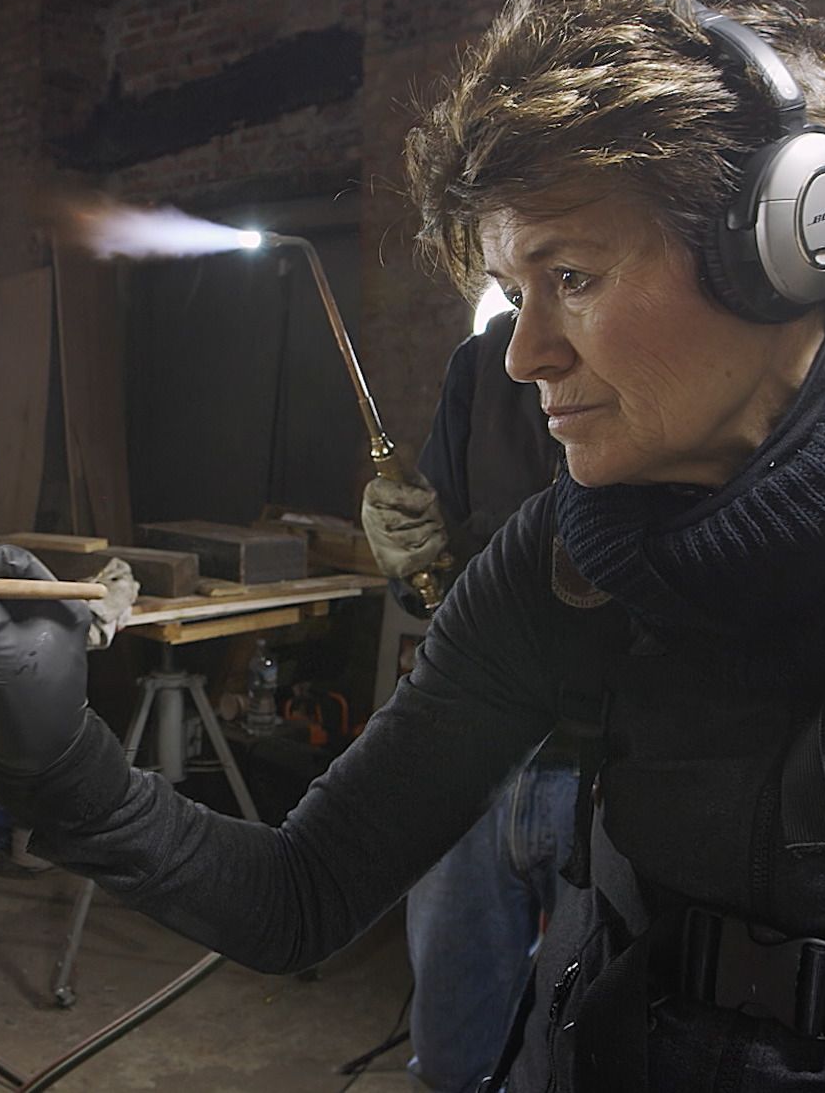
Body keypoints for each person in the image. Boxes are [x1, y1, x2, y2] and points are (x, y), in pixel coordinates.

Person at [0, 0, 825, 1089]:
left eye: (569, 277)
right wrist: (55, 762)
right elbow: (299, 895)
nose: (523, 354)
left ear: (784, 249)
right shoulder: (563, 566)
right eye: (510, 290)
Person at [360, 316, 572, 1091]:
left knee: (595, 1047)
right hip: (470, 760)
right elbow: (429, 571)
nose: (532, 331)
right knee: (454, 1055)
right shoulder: (484, 364)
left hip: (605, 766)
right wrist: (409, 548)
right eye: (514, 284)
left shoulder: (657, 352)